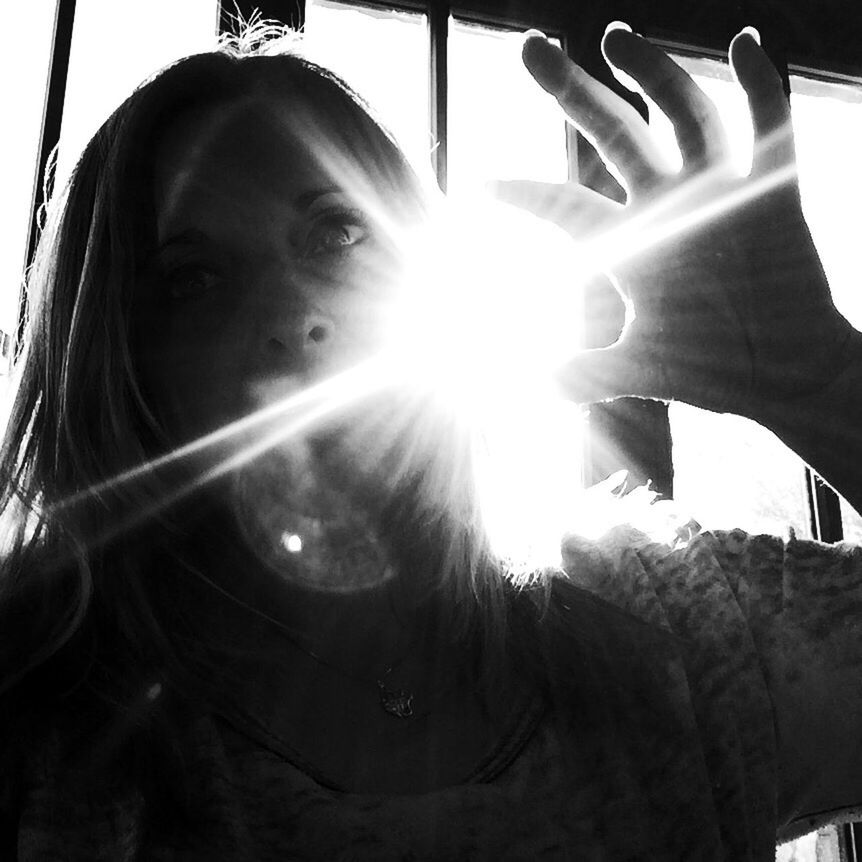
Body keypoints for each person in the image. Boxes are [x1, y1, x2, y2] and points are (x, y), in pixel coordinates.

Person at [1, 18, 861, 860]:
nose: (293, 317)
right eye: (193, 278)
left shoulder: (672, 621)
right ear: (114, 360)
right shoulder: (44, 745)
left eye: (336, 232)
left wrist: (820, 379)